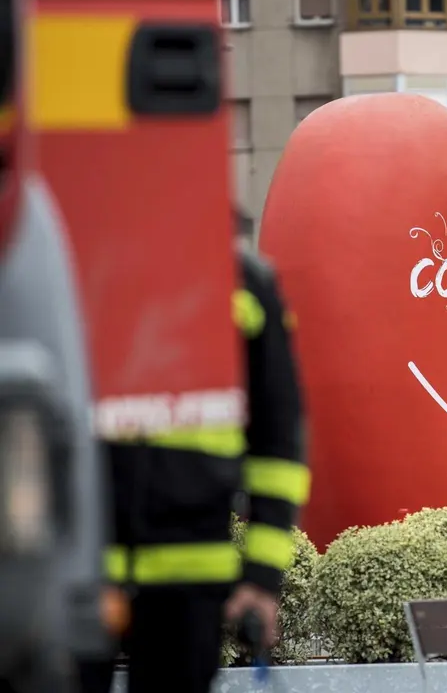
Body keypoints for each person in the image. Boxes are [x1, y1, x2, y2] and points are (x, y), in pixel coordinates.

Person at [78, 218, 309, 693]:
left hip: (188, 580)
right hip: (77, 573)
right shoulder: (65, 259)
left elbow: (277, 447)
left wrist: (261, 579)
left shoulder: (244, 285)